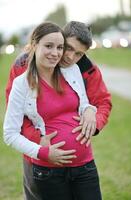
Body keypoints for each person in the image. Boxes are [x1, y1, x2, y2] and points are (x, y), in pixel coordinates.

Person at [3, 21, 103, 200]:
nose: (61, 54)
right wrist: (41, 148)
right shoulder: (22, 79)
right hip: (47, 170)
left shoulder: (72, 70)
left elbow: (88, 102)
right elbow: (11, 131)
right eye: (49, 46)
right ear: (34, 45)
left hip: (85, 166)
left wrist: (90, 110)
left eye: (59, 47)